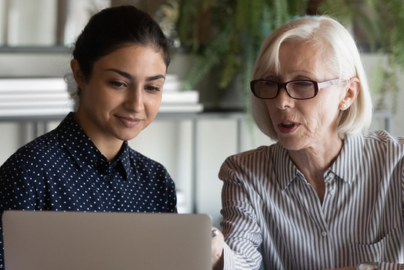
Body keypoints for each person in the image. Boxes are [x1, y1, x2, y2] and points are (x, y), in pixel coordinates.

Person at [211, 16, 404, 270]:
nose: (281, 102)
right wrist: (216, 254)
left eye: (302, 84)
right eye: (271, 84)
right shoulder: (244, 173)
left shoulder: (397, 162)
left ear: (347, 93)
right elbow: (241, 262)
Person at [0, 5, 177, 269]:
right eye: (119, 83)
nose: (137, 104)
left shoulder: (156, 182)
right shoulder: (30, 171)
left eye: (152, 87)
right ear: (80, 73)